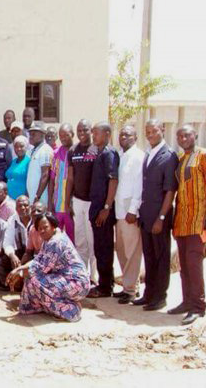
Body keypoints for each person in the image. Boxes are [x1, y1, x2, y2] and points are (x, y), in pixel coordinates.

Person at [171, 124, 206, 325]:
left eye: (187, 135)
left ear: (195, 135)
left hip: (198, 222)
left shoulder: (205, 156)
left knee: (194, 263)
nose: (183, 138)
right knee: (183, 264)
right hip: (182, 221)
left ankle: (198, 306)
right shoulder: (181, 159)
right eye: (180, 136)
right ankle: (186, 301)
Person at [7, 212, 90, 322]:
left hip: (77, 283)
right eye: (39, 228)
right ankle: (38, 307)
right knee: (31, 278)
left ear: (53, 226)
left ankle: (71, 310)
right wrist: (19, 269)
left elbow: (40, 269)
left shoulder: (56, 242)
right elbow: (37, 260)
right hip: (65, 279)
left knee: (34, 280)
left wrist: (19, 273)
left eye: (45, 227)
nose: (42, 231)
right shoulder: (49, 240)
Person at [135, 119, 178, 310]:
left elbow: (170, 191)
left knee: (161, 257)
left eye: (154, 131)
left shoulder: (169, 156)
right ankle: (149, 293)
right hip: (146, 216)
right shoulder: (149, 153)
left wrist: (161, 218)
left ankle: (160, 296)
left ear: (162, 130)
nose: (150, 134)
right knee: (149, 256)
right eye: (147, 131)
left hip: (159, 217)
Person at [112, 126, 145, 304]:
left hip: (130, 212)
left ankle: (131, 290)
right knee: (122, 249)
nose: (124, 137)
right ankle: (128, 285)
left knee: (132, 251)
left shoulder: (138, 156)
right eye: (122, 134)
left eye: (128, 134)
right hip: (119, 211)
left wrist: (134, 209)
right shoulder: (121, 155)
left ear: (135, 137)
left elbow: (139, 185)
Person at [87, 122, 119, 298]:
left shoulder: (109, 153)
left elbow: (113, 180)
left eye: (96, 133)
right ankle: (105, 283)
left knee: (105, 248)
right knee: (100, 248)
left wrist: (106, 207)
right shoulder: (99, 152)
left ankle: (106, 287)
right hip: (96, 207)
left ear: (107, 134)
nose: (93, 137)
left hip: (103, 210)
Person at [66, 119, 97, 278]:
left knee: (92, 241)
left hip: (93, 202)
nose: (82, 134)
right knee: (80, 241)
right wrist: (68, 201)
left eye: (85, 130)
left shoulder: (96, 149)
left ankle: (94, 277)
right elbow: (70, 178)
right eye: (79, 131)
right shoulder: (72, 150)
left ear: (91, 130)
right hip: (78, 201)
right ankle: (82, 275)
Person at [47, 123, 75, 242]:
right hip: (58, 203)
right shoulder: (56, 153)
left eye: (66, 135)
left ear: (72, 135)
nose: (63, 138)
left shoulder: (77, 152)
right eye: (61, 135)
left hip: (72, 204)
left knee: (72, 238)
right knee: (56, 237)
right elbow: (52, 180)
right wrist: (50, 201)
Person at [0, 196, 34, 280]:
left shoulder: (35, 219)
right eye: (20, 206)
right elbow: (7, 243)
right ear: (16, 208)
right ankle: (11, 282)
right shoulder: (12, 220)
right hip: (21, 252)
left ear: (30, 206)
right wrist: (12, 256)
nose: (23, 208)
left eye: (25, 205)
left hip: (34, 254)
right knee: (2, 260)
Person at [26, 121, 53, 206]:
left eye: (34, 134)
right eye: (30, 133)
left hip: (40, 199)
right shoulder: (33, 150)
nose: (31, 136)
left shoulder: (45, 150)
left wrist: (37, 196)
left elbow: (45, 175)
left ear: (42, 135)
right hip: (32, 198)